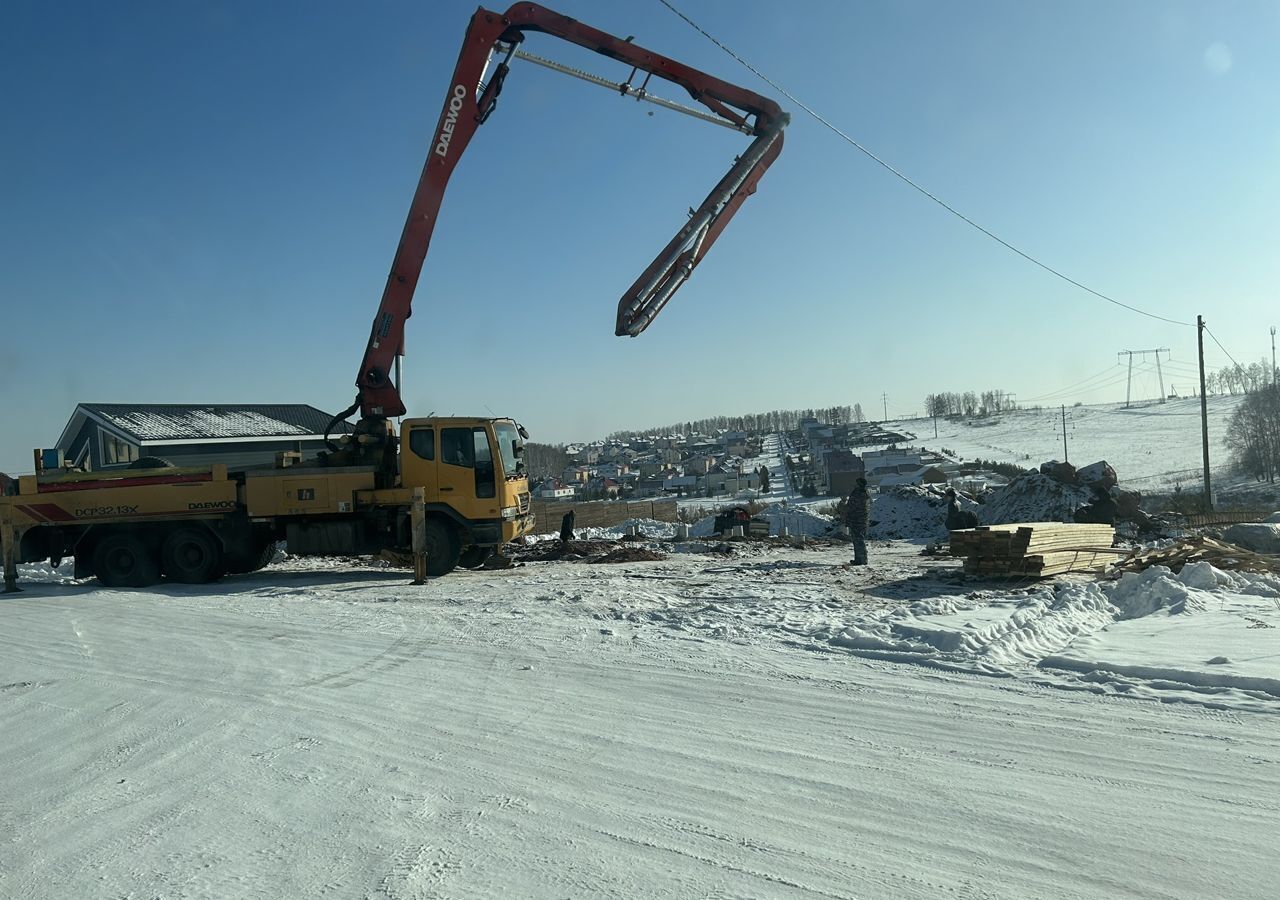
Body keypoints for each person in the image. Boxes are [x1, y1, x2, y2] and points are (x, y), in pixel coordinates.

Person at [845, 477, 870, 565]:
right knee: (856, 540)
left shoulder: (861, 493)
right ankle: (858, 559)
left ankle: (862, 559)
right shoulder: (859, 492)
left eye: (856, 483)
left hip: (858, 519)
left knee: (859, 539)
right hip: (856, 518)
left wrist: (849, 516)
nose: (854, 484)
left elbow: (853, 506)